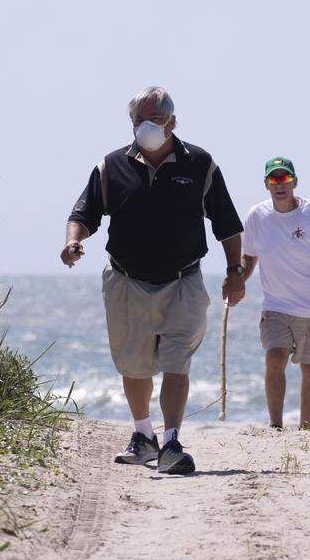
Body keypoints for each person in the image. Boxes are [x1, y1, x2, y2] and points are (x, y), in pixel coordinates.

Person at [61, 87, 246, 473]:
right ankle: (144, 435)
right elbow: (84, 212)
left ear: (172, 122)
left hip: (183, 282)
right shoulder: (111, 166)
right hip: (127, 282)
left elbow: (227, 224)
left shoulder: (200, 164)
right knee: (135, 365)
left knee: (177, 360)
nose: (146, 127)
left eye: (155, 120)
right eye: (138, 121)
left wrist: (235, 273)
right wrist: (73, 242)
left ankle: (172, 443)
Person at [239, 156, 310, 430]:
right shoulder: (256, 216)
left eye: (284, 178)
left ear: (294, 182)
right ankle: (275, 426)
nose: (279, 184)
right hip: (276, 306)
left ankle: (305, 426)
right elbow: (248, 257)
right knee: (275, 356)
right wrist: (237, 279)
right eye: (273, 179)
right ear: (266, 185)